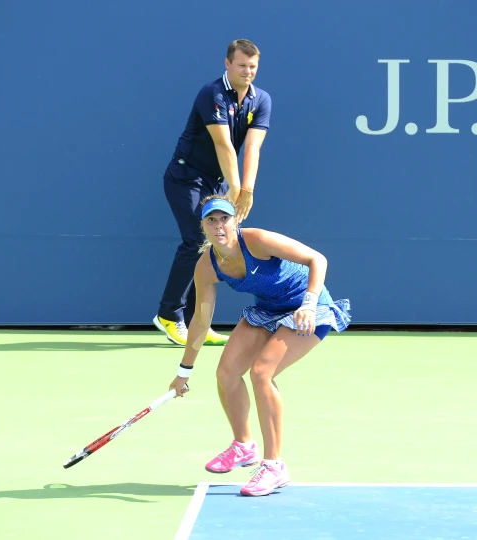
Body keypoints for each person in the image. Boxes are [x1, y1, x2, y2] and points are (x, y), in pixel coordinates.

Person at [167, 196, 351, 497]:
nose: (218, 226)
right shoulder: (207, 266)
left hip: (309, 309)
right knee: (226, 372)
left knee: (261, 372)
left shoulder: (257, 240)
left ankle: (275, 466)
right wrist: (183, 372)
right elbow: (201, 321)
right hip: (268, 310)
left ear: (234, 220)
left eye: (224, 219)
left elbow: (317, 259)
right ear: (203, 227)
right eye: (211, 221)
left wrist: (309, 303)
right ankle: (243, 445)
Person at [153, 39, 271, 347]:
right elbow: (223, 144)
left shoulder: (261, 100)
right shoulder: (212, 94)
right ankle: (168, 315)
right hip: (185, 178)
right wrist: (235, 188)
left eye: (253, 66)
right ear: (228, 64)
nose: (248, 71)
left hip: (217, 182)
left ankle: (198, 323)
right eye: (242, 65)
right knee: (197, 240)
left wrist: (247, 189)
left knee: (213, 248)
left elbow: (253, 148)